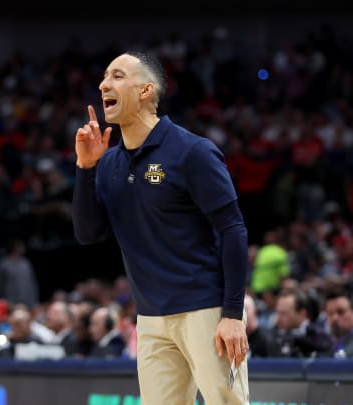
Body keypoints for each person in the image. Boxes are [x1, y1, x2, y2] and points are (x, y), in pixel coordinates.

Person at [72, 50, 250, 404]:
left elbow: (233, 229)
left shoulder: (191, 152)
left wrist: (232, 314)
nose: (104, 83)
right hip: (151, 317)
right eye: (105, 76)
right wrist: (85, 167)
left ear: (145, 91)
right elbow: (88, 234)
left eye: (118, 76)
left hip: (205, 310)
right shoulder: (108, 164)